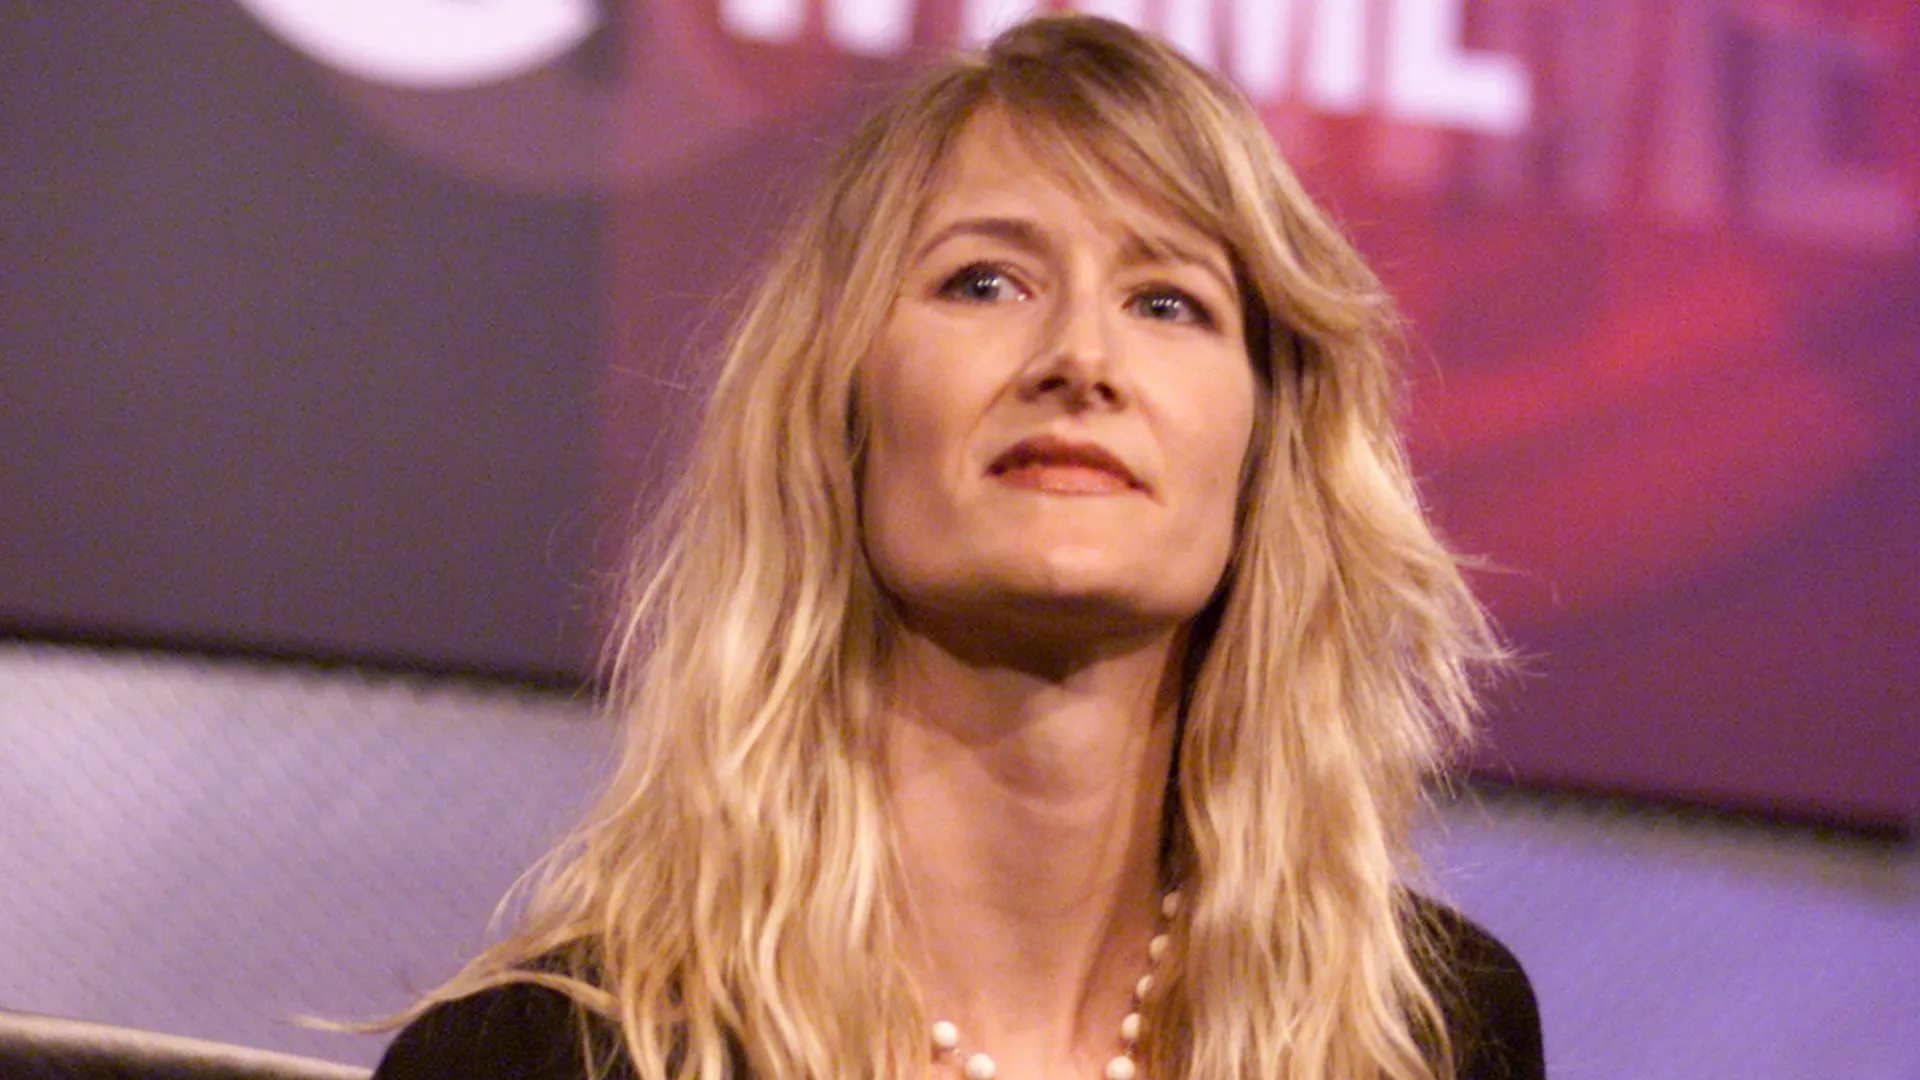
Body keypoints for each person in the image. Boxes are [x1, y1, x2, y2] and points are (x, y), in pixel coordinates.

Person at [374, 14, 1542, 1080]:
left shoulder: (1427, 1034)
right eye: (985, 282)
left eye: (1168, 303)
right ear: (841, 415)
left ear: (1264, 445)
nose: (1080, 357)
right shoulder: (539, 1061)